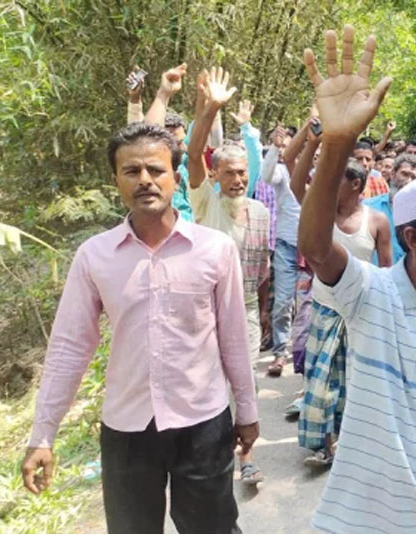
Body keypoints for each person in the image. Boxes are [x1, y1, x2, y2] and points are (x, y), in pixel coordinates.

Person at [299, 27, 416, 533]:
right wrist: (337, 143)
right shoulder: (369, 293)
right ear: (414, 238)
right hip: (361, 514)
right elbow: (316, 248)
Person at [21, 122, 259, 533]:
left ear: (175, 176)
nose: (145, 180)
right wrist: (43, 434)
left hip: (202, 422)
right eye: (132, 172)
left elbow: (233, 338)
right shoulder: (94, 257)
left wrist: (248, 410)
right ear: (116, 180)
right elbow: (69, 347)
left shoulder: (214, 250)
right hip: (127, 429)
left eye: (156, 170)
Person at [184, 67, 271, 486]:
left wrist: (266, 312)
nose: (238, 179)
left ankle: (247, 455)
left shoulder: (261, 213)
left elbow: (264, 269)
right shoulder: (204, 201)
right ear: (215, 175)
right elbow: (191, 154)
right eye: (230, 173)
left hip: (248, 309)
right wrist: (209, 110)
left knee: (244, 379)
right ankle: (208, 454)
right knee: (207, 382)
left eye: (242, 173)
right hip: (202, 308)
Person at [297, 148, 393, 466]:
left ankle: (352, 443)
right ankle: (324, 444)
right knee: (321, 381)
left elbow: (387, 271)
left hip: (360, 312)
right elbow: (297, 185)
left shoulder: (377, 221)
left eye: (336, 180)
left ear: (355, 184)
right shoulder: (321, 214)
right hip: (325, 309)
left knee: (356, 382)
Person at [262, 118, 309, 376]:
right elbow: (266, 175)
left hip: (311, 248)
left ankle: (303, 353)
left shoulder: (316, 171)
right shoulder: (282, 171)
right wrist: (274, 149)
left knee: (305, 305)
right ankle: (280, 353)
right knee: (282, 302)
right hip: (286, 245)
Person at [364, 152, 416, 264]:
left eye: (414, 177)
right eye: (405, 174)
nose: (409, 181)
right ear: (393, 174)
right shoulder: (368, 207)